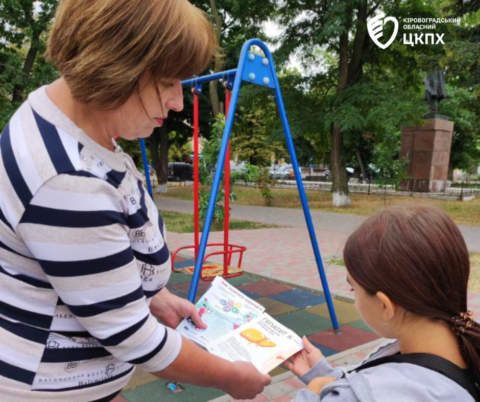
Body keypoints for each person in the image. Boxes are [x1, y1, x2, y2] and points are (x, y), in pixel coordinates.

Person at [0, 0, 270, 401]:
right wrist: (230, 377)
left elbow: (80, 265)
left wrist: (154, 297)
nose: (178, 102)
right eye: (168, 82)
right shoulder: (69, 182)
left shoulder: (64, 122)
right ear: (117, 65)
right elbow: (130, 336)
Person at [285, 205, 480, 401]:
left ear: (385, 306)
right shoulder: (464, 341)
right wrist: (328, 377)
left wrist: (314, 389)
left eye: (353, 289)